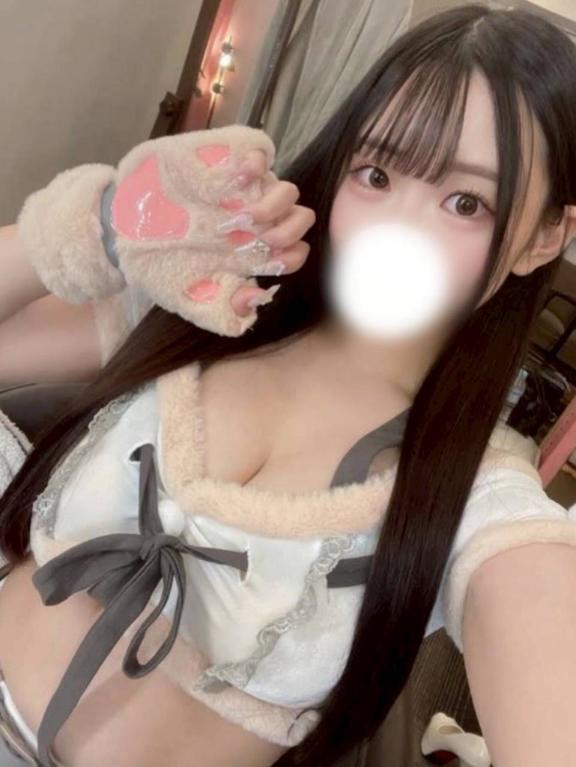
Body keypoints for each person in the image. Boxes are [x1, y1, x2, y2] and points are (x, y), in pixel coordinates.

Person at [1, 3, 576, 766]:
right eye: (377, 174)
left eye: (466, 202)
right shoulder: (213, 306)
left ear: (544, 237)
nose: (395, 230)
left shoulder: (476, 496)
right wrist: (104, 223)